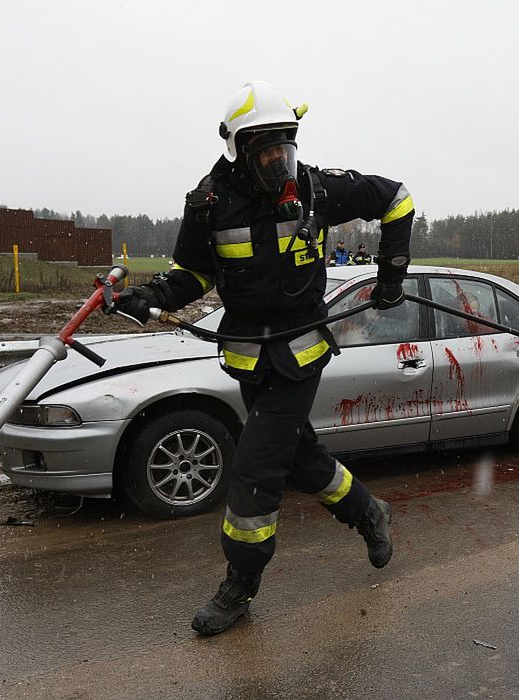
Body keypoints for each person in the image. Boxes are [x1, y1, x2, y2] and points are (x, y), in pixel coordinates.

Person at [109, 80, 414, 636]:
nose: (281, 161)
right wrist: (150, 296)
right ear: (240, 151)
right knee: (300, 460)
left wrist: (391, 273)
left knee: (255, 469)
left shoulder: (317, 189)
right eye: (269, 151)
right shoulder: (207, 205)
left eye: (286, 147)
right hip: (249, 357)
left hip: (300, 355)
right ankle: (369, 511)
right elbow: (193, 275)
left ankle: (240, 585)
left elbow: (397, 198)